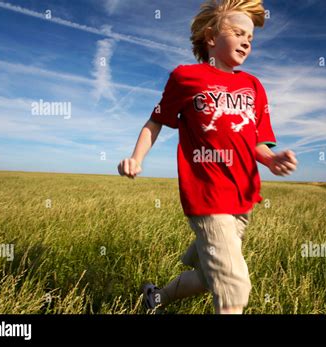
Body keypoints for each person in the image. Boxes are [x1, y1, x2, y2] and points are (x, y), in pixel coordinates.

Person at [118, 0, 298, 314]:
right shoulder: (186, 77)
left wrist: (271, 159)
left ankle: (155, 298)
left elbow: (257, 142)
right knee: (234, 285)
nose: (246, 41)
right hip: (207, 196)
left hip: (243, 197)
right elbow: (156, 121)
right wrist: (136, 157)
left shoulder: (253, 86)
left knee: (207, 276)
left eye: (251, 38)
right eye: (239, 33)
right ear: (211, 37)